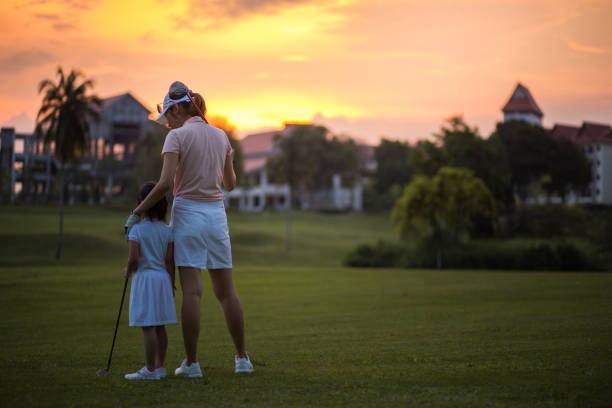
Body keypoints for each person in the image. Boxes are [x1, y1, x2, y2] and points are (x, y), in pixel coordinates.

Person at [125, 81, 253, 377]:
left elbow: (166, 184)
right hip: (216, 216)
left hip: (188, 214)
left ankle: (192, 364)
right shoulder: (221, 136)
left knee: (193, 293)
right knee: (227, 293)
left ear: (179, 107)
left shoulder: (176, 138)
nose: (167, 122)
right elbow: (230, 184)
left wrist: (136, 212)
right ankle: (242, 359)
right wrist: (228, 156)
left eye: (168, 114)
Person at [124, 182, 177, 380]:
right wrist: (172, 283)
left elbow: (133, 259)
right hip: (163, 279)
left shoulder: (136, 231)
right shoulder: (167, 231)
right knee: (160, 325)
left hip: (145, 279)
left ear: (142, 204)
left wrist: (128, 271)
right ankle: (160, 366)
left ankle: (149, 369)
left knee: (148, 326)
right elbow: (170, 261)